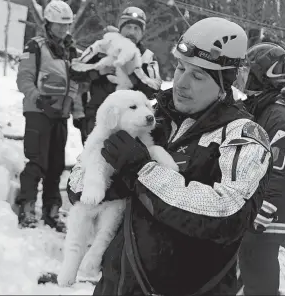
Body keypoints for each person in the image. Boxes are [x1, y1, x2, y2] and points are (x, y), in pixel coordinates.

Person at [67, 17, 273, 295]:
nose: (181, 83)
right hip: (116, 284)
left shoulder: (243, 135)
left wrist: (143, 172)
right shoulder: (150, 115)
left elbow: (228, 214)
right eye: (179, 68)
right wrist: (103, 182)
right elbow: (77, 185)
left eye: (198, 76)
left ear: (225, 82)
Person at [233, 42, 285, 295]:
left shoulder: (278, 118)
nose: (241, 76)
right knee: (243, 272)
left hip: (267, 215)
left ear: (262, 75)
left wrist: (263, 213)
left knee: (258, 274)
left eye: (247, 70)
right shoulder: (257, 109)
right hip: (251, 210)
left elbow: (279, 172)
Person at [15, 0, 84, 232]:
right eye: (58, 25)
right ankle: (26, 207)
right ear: (48, 23)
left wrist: (77, 113)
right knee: (37, 162)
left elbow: (76, 85)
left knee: (55, 165)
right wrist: (38, 98)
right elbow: (24, 78)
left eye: (66, 25)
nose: (63, 30)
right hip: (38, 112)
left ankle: (52, 211)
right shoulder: (35, 46)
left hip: (60, 116)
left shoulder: (72, 51)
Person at [71, 6, 161, 143]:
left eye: (137, 28)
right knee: (94, 160)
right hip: (97, 118)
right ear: (120, 28)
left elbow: (155, 91)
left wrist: (132, 73)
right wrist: (98, 71)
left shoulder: (147, 57)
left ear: (142, 32)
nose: (132, 32)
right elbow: (74, 71)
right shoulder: (102, 46)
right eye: (128, 27)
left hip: (132, 124)